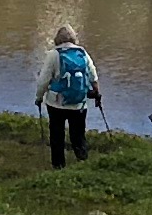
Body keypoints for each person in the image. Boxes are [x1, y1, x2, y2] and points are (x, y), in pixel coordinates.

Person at [37, 22, 103, 166]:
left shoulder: (53, 55)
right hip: (79, 103)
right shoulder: (83, 53)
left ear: (57, 40)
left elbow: (43, 80)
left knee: (57, 136)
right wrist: (97, 93)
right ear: (74, 39)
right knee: (78, 135)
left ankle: (59, 166)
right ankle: (82, 161)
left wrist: (39, 97)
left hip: (56, 103)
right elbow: (93, 76)